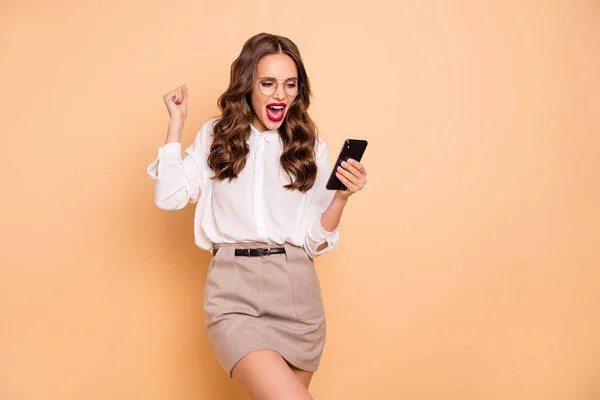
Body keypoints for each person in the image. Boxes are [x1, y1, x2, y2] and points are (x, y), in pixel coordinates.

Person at [147, 32, 367, 400]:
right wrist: (176, 125)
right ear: (248, 85)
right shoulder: (217, 136)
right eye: (268, 83)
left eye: (289, 85)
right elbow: (169, 197)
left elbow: (314, 239)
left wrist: (341, 199)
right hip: (234, 295)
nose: (280, 94)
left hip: (297, 294)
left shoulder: (310, 147)